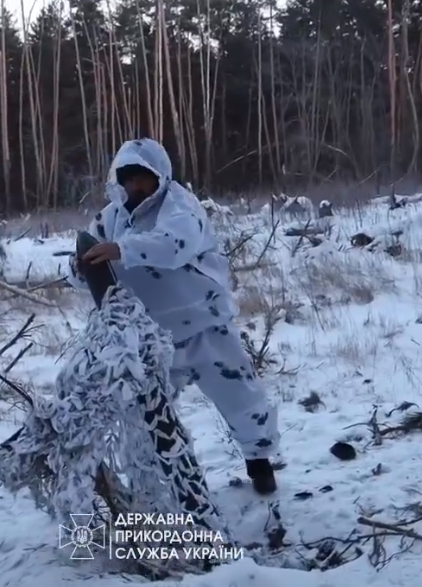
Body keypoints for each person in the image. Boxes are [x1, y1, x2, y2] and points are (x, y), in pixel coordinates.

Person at [66, 137, 280, 495]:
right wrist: (78, 267)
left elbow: (174, 246)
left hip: (205, 328)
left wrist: (122, 249)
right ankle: (156, 483)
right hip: (152, 339)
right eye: (128, 179)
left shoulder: (181, 207)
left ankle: (259, 462)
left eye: (143, 179)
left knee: (242, 400)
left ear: (159, 176)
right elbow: (82, 266)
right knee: (145, 415)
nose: (135, 187)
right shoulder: (110, 218)